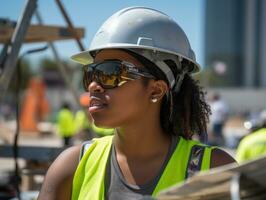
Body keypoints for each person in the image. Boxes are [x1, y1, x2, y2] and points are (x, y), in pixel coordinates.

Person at [38, 7, 236, 200]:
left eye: (110, 72)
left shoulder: (213, 170)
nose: (93, 85)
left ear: (156, 90)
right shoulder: (71, 167)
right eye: (91, 73)